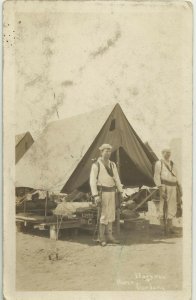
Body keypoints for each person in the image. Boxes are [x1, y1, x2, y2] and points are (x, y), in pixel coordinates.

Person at [90, 144, 124, 246]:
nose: (108, 153)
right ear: (101, 152)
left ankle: (110, 236)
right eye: (106, 151)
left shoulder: (113, 165)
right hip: (102, 192)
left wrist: (121, 192)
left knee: (111, 214)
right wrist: (95, 196)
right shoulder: (96, 165)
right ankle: (102, 238)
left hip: (112, 192)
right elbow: (92, 181)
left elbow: (117, 179)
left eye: (109, 151)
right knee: (103, 214)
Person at [154, 147, 180, 233]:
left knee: (172, 206)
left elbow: (176, 177)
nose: (168, 154)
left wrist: (179, 187)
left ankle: (170, 227)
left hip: (173, 187)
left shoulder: (173, 164)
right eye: (166, 152)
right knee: (162, 206)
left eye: (169, 152)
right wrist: (161, 190)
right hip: (164, 186)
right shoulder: (159, 163)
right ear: (162, 153)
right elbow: (157, 177)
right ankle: (162, 228)